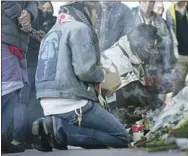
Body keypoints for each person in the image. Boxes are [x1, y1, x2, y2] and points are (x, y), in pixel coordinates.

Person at [32, 2, 130, 152]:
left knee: (99, 136)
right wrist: (103, 74)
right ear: (86, 11)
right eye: (96, 13)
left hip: (46, 102)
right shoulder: (80, 28)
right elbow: (84, 71)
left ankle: (47, 127)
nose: (96, 18)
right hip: (72, 102)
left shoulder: (51, 32)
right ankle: (59, 131)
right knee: (121, 137)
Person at [14, 1, 56, 149]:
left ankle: (19, 137)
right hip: (40, 63)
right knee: (35, 101)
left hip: (24, 61)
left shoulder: (18, 12)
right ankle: (35, 135)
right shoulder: (38, 15)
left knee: (22, 101)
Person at [102, 24, 160, 127]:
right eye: (151, 47)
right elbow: (131, 94)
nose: (154, 52)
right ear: (139, 44)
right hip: (107, 111)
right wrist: (158, 102)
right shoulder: (117, 57)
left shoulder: (133, 54)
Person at [1, 1, 38, 153]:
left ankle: (2, 136)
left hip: (18, 41)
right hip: (4, 38)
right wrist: (21, 16)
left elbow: (32, 2)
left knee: (14, 89)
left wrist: (29, 12)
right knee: (9, 87)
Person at [131, 1, 176, 107]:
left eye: (150, 1)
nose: (147, 4)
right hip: (136, 68)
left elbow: (168, 51)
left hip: (157, 69)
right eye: (144, 1)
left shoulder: (162, 23)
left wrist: (168, 75)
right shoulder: (130, 17)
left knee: (157, 104)